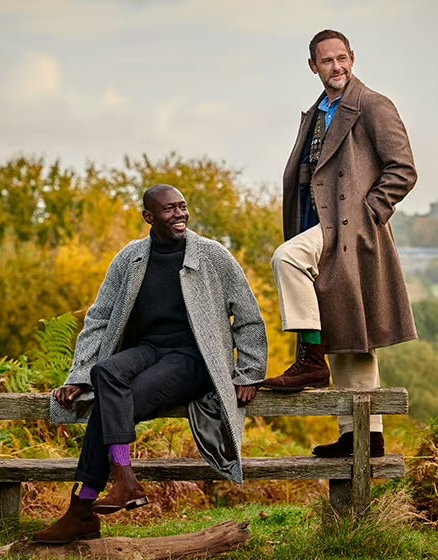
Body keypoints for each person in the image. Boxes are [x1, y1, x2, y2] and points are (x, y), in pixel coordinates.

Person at [33, 184, 267, 544]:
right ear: (149, 217)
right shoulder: (130, 258)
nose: (180, 215)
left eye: (183, 207)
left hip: (194, 358)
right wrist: (79, 374)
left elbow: (248, 316)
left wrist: (248, 372)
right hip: (149, 349)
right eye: (170, 209)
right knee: (104, 373)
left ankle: (83, 509)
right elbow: (99, 318)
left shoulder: (212, 256)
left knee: (113, 404)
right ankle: (123, 481)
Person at [261, 30, 417, 459]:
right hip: (317, 222)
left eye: (342, 58)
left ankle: (311, 358)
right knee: (351, 334)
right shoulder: (316, 113)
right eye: (327, 61)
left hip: (350, 228)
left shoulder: (373, 105)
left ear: (353, 58)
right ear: (313, 66)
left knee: (287, 258)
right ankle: (363, 438)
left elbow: (402, 169)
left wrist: (368, 214)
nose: (337, 67)